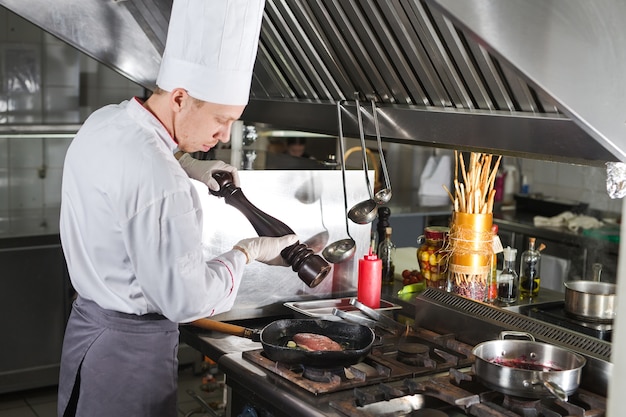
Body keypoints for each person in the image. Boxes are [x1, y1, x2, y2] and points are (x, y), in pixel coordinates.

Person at [56, 1, 297, 416]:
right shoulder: (162, 183)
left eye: (233, 123)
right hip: (129, 354)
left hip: (87, 334)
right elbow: (184, 302)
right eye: (220, 120)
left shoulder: (105, 122)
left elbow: (137, 152)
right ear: (181, 98)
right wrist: (246, 253)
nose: (223, 135)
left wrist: (188, 163)